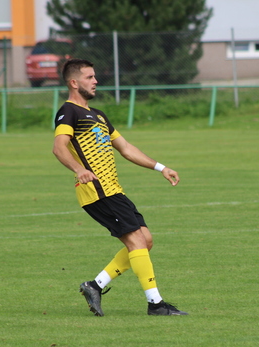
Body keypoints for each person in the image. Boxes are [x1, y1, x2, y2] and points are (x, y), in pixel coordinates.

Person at [52, 58, 188, 316]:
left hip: (113, 189)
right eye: (90, 77)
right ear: (74, 82)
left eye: (94, 77)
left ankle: (95, 285)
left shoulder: (99, 115)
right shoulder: (68, 112)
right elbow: (59, 147)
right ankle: (156, 305)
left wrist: (161, 167)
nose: (96, 81)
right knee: (137, 241)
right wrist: (79, 170)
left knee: (145, 241)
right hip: (96, 190)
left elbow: (125, 148)